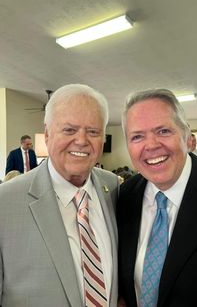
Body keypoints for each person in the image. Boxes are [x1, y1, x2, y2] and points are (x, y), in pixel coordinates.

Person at [0, 84, 119, 306]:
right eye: (69, 130)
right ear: (47, 134)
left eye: (93, 131)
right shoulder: (4, 203)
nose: (82, 141)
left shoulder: (113, 187)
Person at [117, 88, 197, 307]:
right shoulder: (123, 198)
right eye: (137, 136)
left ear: (188, 138)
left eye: (163, 131)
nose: (151, 145)